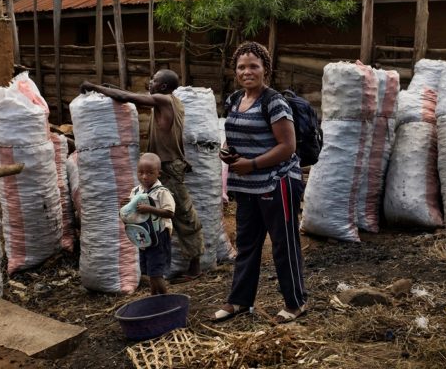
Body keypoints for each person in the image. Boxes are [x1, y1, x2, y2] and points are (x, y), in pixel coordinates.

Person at [213, 41, 307, 324]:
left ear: (265, 69)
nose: (247, 71)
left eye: (253, 66)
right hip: (247, 186)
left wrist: (251, 164)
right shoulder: (234, 100)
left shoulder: (273, 101)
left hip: (276, 183)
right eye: (241, 67)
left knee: (283, 243)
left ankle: (296, 303)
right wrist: (227, 150)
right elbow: (236, 132)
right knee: (247, 243)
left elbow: (287, 146)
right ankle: (240, 301)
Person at [80, 69, 204, 282]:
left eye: (154, 80)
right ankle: (154, 265)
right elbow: (175, 134)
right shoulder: (174, 102)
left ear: (163, 86)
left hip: (167, 167)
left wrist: (93, 86)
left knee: (181, 213)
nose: (150, 82)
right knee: (152, 212)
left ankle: (194, 267)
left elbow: (127, 97)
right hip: (168, 164)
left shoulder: (161, 99)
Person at [125, 152, 176, 295]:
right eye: (140, 173)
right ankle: (154, 299)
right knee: (150, 272)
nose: (144, 177)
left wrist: (150, 209)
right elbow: (132, 211)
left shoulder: (161, 192)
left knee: (156, 273)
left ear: (158, 174)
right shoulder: (136, 191)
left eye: (150, 173)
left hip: (159, 237)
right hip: (143, 237)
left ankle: (165, 301)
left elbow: (170, 213)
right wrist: (127, 205)